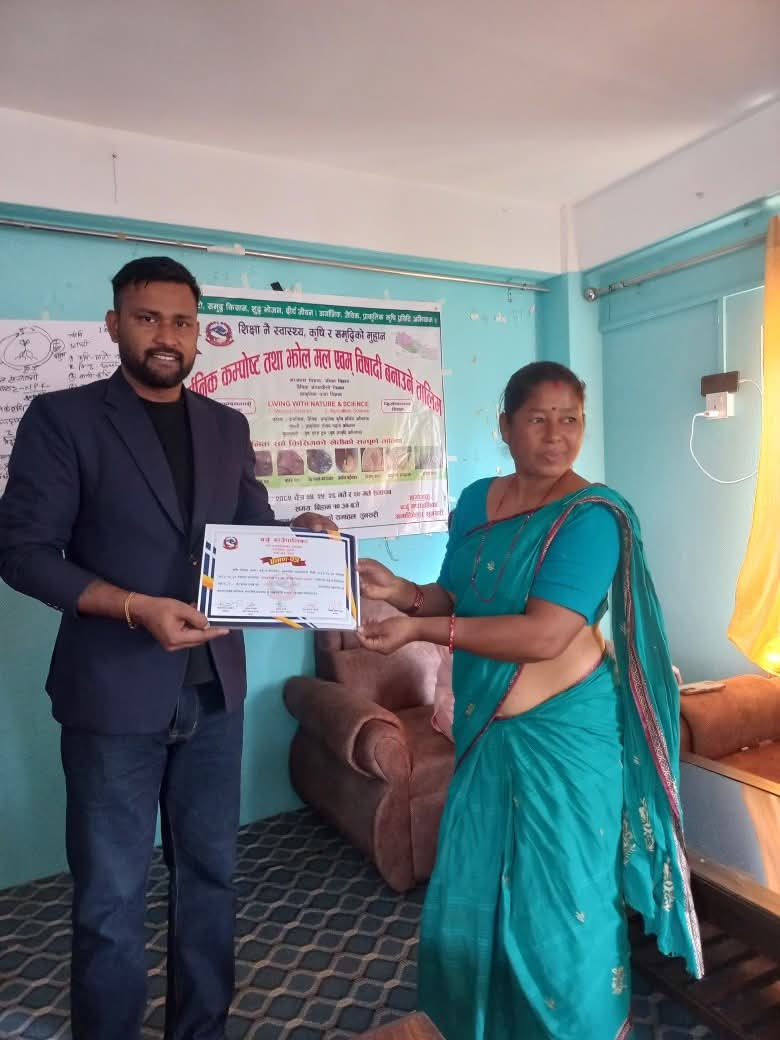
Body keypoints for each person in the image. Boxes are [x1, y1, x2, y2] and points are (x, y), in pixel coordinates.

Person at [0, 256, 334, 1040]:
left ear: (197, 333)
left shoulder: (225, 426)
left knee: (212, 877)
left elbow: (247, 532)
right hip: (113, 696)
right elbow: (22, 551)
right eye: (147, 318)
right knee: (110, 897)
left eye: (182, 322)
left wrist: (299, 540)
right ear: (115, 324)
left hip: (213, 691)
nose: (166, 336)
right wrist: (134, 607)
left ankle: (200, 1029)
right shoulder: (63, 419)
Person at [356, 361, 703, 1040]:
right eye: (538, 419)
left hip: (567, 738)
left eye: (570, 419)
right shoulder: (475, 501)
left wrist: (421, 630)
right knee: (477, 891)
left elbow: (545, 635)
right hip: (488, 736)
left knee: (565, 907)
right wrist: (403, 592)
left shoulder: (593, 517)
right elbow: (456, 596)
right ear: (505, 426)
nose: (555, 434)